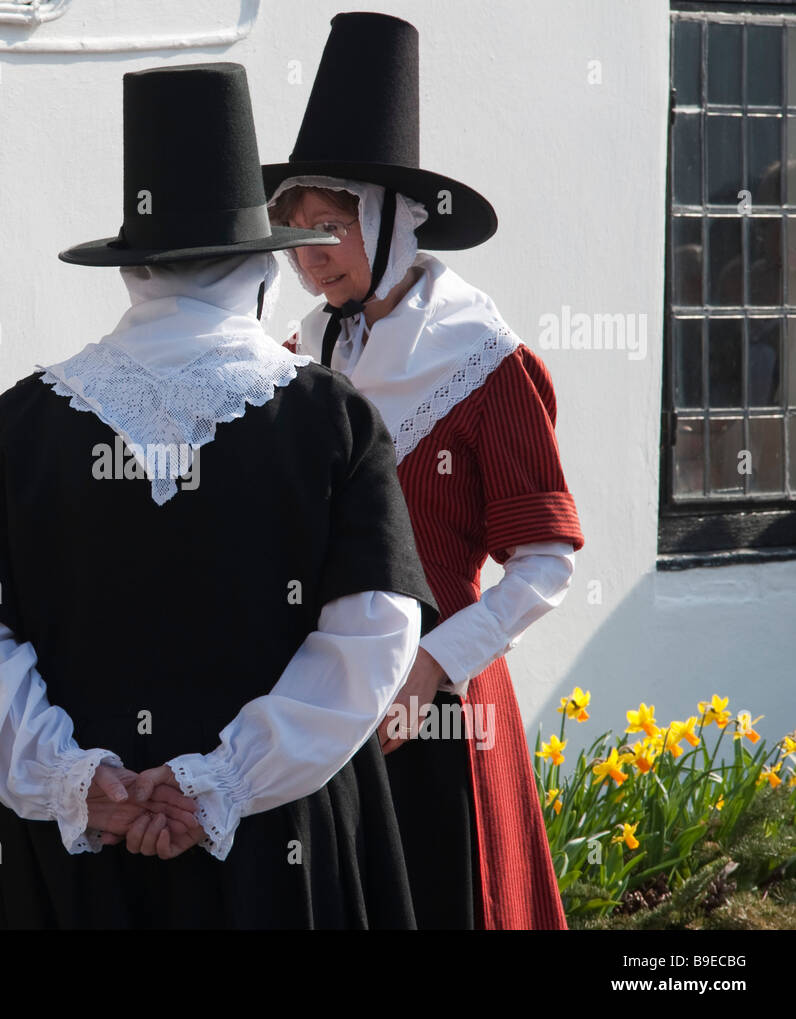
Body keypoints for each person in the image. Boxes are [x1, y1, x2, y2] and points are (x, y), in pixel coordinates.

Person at [0, 62, 439, 929]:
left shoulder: (25, 420)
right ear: (255, 267)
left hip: (80, 865)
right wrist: (222, 783)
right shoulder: (328, 417)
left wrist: (82, 782)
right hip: (278, 851)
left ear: (135, 264)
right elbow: (374, 634)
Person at [264, 12, 585, 930]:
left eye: (329, 225)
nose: (309, 252)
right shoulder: (301, 354)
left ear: (390, 217)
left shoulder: (486, 361)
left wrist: (431, 672)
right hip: (330, 699)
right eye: (296, 230)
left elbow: (548, 562)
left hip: (440, 710)